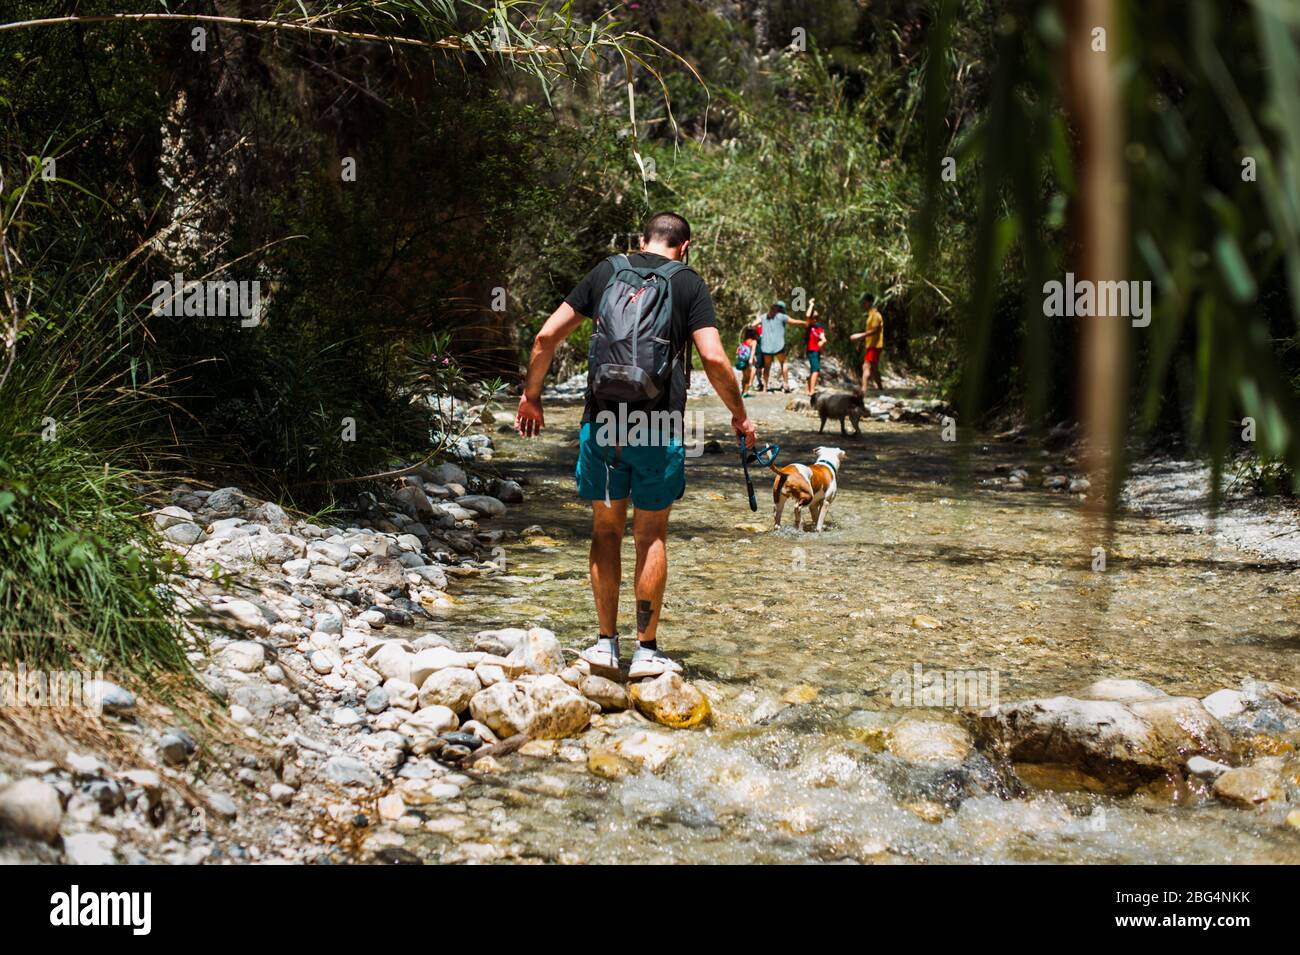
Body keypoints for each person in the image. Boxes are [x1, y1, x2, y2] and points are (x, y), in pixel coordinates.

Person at [515, 212, 757, 679]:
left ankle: (606, 646)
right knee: (651, 537)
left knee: (606, 532)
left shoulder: (607, 271)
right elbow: (712, 356)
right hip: (660, 427)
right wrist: (740, 416)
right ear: (685, 247)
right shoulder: (688, 283)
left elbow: (546, 336)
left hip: (604, 423)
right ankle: (646, 650)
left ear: (641, 240)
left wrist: (532, 396)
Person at [759, 300, 807, 393]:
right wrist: (805, 322)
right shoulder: (782, 316)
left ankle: (765, 387)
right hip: (778, 346)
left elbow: (753, 324)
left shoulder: (764, 316)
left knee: (767, 366)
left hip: (766, 346)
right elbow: (794, 322)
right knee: (783, 363)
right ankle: (785, 384)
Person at [849, 293, 884, 392]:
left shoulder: (876, 315)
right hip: (872, 345)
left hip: (875, 345)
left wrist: (860, 335)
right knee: (873, 368)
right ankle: (881, 389)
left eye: (864, 303)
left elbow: (875, 330)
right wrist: (861, 342)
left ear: (869, 302)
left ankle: (863, 391)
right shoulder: (870, 315)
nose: (863, 305)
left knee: (866, 366)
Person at [804, 298, 827, 396]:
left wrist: (823, 341)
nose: (815, 319)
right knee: (816, 370)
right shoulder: (809, 326)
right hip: (811, 350)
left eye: (816, 317)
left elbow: (823, 338)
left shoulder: (819, 327)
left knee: (814, 369)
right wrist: (811, 304)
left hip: (817, 351)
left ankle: (809, 388)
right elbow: (808, 315)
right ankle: (812, 391)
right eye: (814, 317)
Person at [736, 323, 759, 398]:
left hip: (742, 360)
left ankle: (743, 391)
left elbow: (739, 351)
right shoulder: (754, 341)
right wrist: (751, 360)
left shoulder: (744, 341)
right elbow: (753, 351)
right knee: (748, 377)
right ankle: (745, 392)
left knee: (744, 377)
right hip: (747, 361)